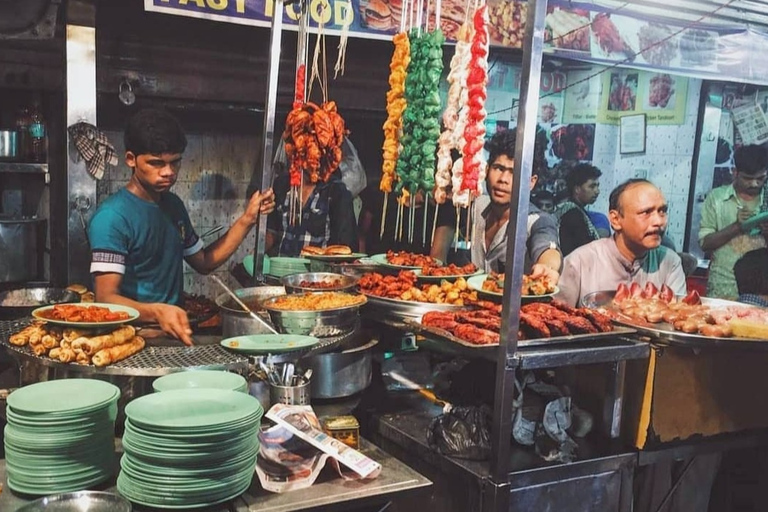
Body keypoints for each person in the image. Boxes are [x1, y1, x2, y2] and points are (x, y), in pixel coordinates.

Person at [88, 109, 275, 346]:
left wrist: (248, 218)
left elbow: (205, 262)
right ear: (130, 159)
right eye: (156, 163)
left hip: (173, 337)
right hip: (130, 341)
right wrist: (158, 312)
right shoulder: (112, 217)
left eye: (175, 162)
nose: (168, 172)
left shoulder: (173, 205)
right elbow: (105, 299)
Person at [431, 129, 561, 281]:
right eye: (498, 168)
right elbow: (450, 215)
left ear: (531, 182)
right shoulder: (476, 205)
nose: (503, 179)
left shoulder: (536, 221)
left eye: (514, 172)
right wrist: (437, 259)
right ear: (486, 170)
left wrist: (547, 267)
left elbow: (547, 246)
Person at [556, 179, 686, 307]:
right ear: (616, 219)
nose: (658, 221)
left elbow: (677, 319)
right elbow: (556, 318)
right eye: (646, 212)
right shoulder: (580, 262)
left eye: (662, 211)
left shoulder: (669, 262)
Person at [699, 144, 768, 299]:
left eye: (761, 178)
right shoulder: (716, 198)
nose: (754, 184)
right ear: (735, 172)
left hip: (761, 294)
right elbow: (705, 244)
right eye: (748, 179)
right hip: (721, 289)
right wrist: (737, 226)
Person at [265, 169, 358, 256]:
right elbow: (271, 233)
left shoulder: (337, 191)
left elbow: (345, 246)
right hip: (280, 269)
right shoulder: (282, 184)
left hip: (317, 271)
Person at [554, 163, 602, 256]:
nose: (597, 191)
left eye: (597, 186)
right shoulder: (573, 215)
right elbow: (581, 252)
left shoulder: (570, 210)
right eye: (592, 186)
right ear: (577, 189)